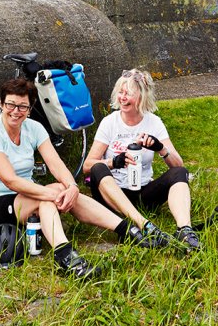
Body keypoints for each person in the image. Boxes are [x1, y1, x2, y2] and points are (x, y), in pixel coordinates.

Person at [0, 78, 164, 280]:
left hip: (25, 195)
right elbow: (10, 181)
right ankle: (65, 258)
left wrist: (72, 187)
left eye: (22, 106)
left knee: (60, 188)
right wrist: (53, 194)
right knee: (48, 197)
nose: (15, 111)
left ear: (30, 108)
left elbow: (56, 165)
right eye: (10, 104)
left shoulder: (34, 128)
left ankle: (127, 230)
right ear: (1, 104)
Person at [83, 68, 202, 251]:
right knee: (98, 168)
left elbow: (178, 165)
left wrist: (160, 148)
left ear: (142, 96)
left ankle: (185, 230)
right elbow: (87, 166)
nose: (122, 98)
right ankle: (143, 224)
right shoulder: (110, 122)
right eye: (120, 92)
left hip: (142, 193)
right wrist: (114, 162)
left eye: (128, 93)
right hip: (111, 196)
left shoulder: (153, 122)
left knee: (180, 173)